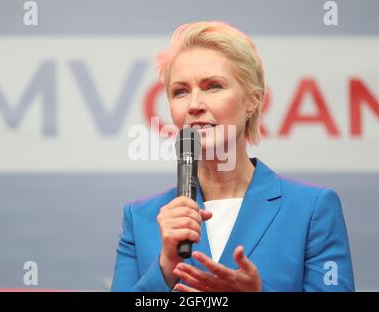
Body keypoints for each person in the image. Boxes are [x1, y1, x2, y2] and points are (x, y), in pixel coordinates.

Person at [111, 21, 354, 292]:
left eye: (213, 86)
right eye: (180, 91)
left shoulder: (312, 209)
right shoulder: (141, 218)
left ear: (252, 100)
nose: (194, 105)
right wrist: (166, 267)